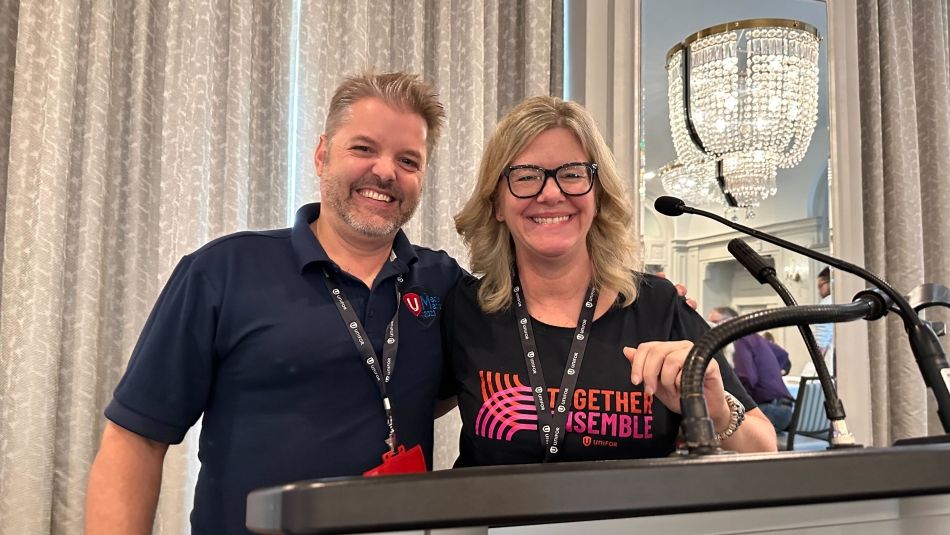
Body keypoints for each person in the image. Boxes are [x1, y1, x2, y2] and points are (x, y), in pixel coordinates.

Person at [85, 72, 465, 535]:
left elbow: (464, 382)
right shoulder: (221, 272)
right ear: (322, 153)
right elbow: (136, 439)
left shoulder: (443, 284)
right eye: (364, 148)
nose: (385, 171)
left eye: (408, 159)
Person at [445, 96, 777, 466]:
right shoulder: (464, 308)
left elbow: (764, 446)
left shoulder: (660, 306)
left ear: (598, 195)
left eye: (572, 174)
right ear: (496, 204)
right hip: (497, 524)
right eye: (526, 177)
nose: (552, 193)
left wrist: (716, 412)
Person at [709, 307, 794, 432]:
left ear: (732, 320)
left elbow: (746, 379)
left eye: (715, 323)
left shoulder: (739, 339)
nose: (712, 328)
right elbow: (783, 357)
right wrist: (779, 372)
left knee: (720, 426)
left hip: (770, 410)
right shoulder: (755, 337)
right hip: (784, 410)